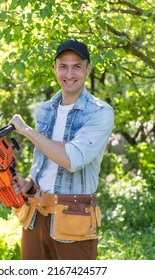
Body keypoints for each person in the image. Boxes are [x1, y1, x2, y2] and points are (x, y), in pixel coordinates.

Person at [9, 39, 114, 260]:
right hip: (36, 214)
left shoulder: (99, 112)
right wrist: (29, 182)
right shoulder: (45, 110)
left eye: (77, 66)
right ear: (55, 69)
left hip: (72, 218)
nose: (69, 73)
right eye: (63, 66)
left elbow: (71, 160)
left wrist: (27, 131)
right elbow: (44, 159)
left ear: (88, 69)